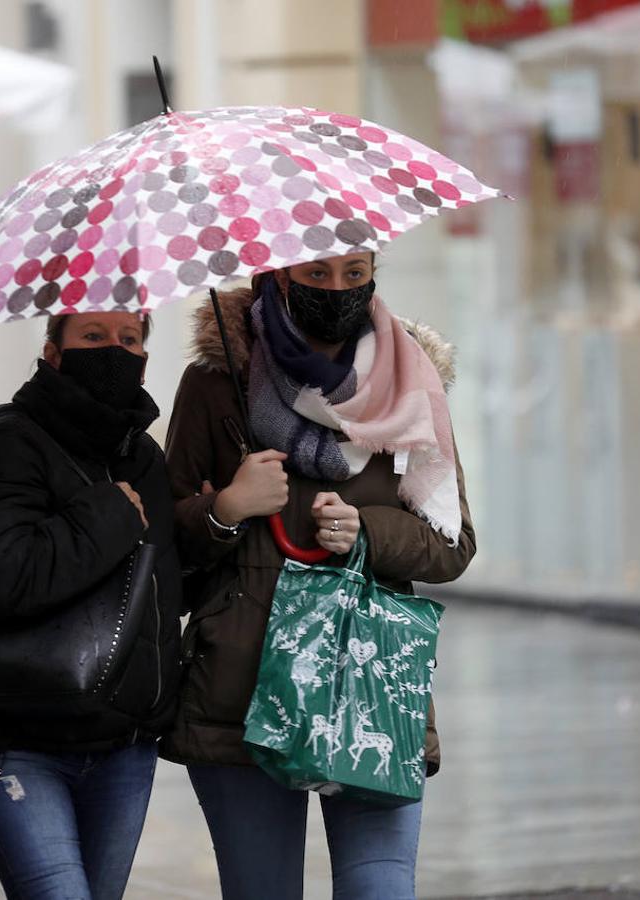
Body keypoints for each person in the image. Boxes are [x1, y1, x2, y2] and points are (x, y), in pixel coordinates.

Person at [162, 251, 476, 898]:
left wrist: (370, 531)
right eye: (317, 273)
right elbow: (167, 553)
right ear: (278, 274)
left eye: (355, 273)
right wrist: (225, 509)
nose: (338, 289)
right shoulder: (218, 378)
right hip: (239, 689)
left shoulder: (411, 382)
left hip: (370, 678)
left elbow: (452, 545)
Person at [0, 311, 183, 899]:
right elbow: (5, 577)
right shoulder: (12, 437)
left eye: (129, 340)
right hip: (18, 738)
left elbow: (160, 593)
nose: (114, 351)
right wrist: (109, 515)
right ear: (53, 353)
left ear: (145, 360)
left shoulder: (143, 457)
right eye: (94, 337)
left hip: (120, 745)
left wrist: (224, 516)